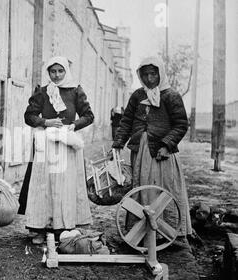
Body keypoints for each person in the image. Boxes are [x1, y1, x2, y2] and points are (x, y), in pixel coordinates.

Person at [112, 56, 192, 238]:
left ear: (160, 73)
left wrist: (167, 145)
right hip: (140, 152)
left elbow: (181, 124)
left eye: (153, 74)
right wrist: (117, 144)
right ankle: (140, 231)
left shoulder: (171, 96)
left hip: (161, 153)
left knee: (163, 189)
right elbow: (126, 122)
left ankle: (168, 231)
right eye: (145, 74)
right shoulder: (137, 96)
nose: (149, 79)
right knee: (141, 188)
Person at [21, 56, 95, 245]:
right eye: (53, 71)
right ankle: (39, 228)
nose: (56, 75)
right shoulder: (43, 92)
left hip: (67, 143)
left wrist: (74, 125)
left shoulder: (75, 90)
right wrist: (44, 122)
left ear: (66, 71)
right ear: (48, 72)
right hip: (46, 142)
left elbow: (88, 115)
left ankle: (63, 227)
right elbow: (29, 115)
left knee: (66, 185)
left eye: (60, 71)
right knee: (43, 185)